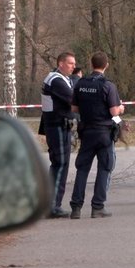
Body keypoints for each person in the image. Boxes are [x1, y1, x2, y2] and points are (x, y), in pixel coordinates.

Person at [69, 52, 124, 219]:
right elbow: (114, 112)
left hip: (86, 131)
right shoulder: (108, 86)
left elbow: (74, 109)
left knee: (82, 169)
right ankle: (97, 206)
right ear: (106, 65)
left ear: (91, 64)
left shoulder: (80, 84)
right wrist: (121, 110)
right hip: (103, 133)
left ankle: (76, 208)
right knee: (104, 168)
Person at [39, 52, 77, 218]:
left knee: (57, 165)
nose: (73, 66)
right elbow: (73, 100)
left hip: (57, 126)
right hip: (58, 126)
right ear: (60, 63)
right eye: (70, 63)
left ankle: (50, 204)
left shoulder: (61, 78)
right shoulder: (56, 80)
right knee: (61, 164)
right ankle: (53, 206)